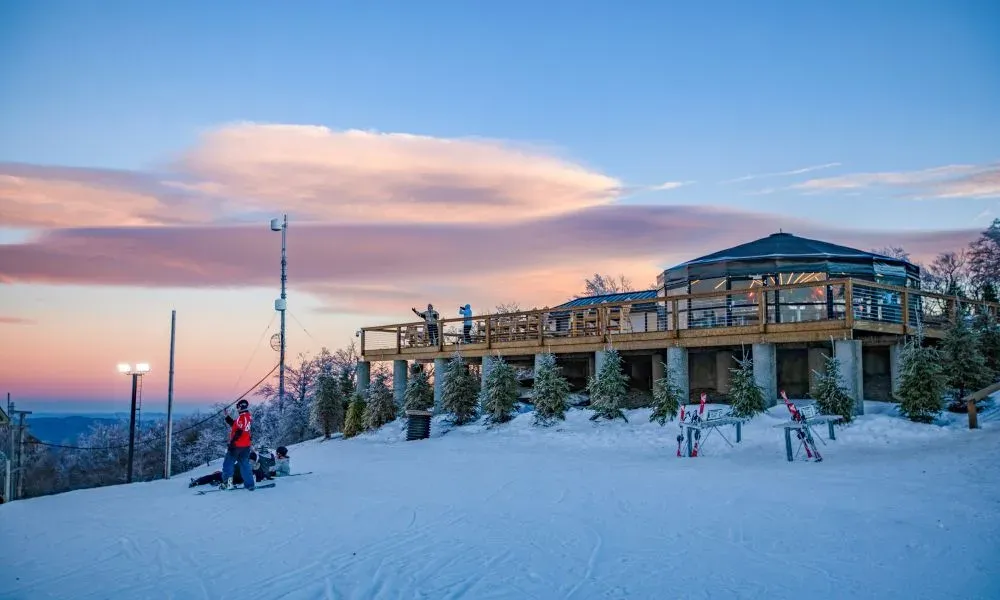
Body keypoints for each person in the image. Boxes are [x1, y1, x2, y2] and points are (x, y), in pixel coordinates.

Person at [221, 398, 254, 490]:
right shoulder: (248, 416)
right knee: (245, 465)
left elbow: (238, 431)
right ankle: (250, 484)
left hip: (237, 446)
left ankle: (227, 484)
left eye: (237, 407)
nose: (237, 409)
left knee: (228, 464)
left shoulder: (241, 417)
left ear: (240, 407)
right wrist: (226, 416)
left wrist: (231, 444)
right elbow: (235, 425)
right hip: (246, 446)